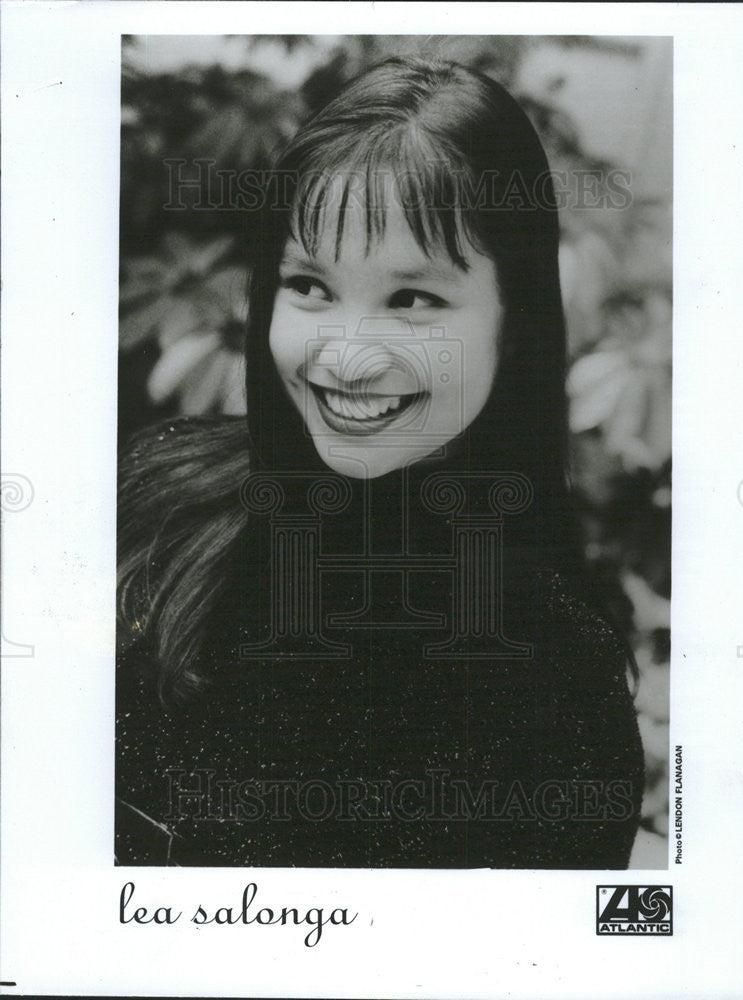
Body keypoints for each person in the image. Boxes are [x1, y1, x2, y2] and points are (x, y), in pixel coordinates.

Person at [115, 57, 644, 868]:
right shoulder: (158, 500)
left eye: (413, 301)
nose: (346, 357)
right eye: (310, 286)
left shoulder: (561, 682)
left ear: (518, 321)